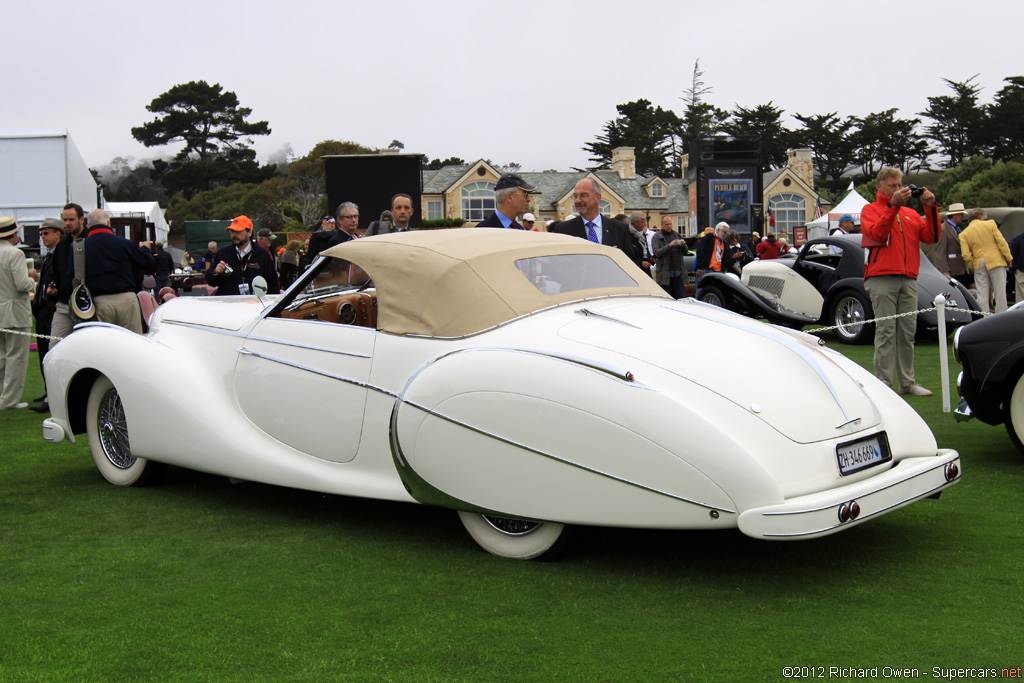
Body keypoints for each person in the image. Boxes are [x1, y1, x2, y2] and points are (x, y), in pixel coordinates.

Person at [861, 166, 940, 397]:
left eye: (899, 185)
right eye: (893, 185)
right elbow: (876, 234)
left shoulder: (910, 214)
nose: (898, 189)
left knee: (907, 332)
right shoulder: (870, 209)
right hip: (881, 276)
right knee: (886, 330)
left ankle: (907, 383)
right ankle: (883, 383)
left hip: (908, 277)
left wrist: (930, 206)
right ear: (880, 186)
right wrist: (893, 206)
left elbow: (931, 237)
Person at [67, 209, 156, 334]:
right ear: (108, 223)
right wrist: (145, 249)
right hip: (127, 299)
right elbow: (147, 262)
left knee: (105, 347)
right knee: (132, 345)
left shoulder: (79, 247)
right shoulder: (124, 243)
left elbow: (70, 277)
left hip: (99, 301)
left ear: (87, 226)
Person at [0, 216, 37, 410]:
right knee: (16, 357)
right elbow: (22, 285)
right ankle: (9, 400)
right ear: (13, 234)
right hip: (14, 311)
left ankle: (2, 397)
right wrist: (33, 279)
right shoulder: (14, 254)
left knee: (1, 356)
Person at [554, 178, 638, 263]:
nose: (578, 200)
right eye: (575, 196)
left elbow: (629, 263)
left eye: (583, 195)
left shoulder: (620, 229)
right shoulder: (564, 230)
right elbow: (558, 264)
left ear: (598, 197)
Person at [30, 218, 64, 412]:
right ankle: (47, 392)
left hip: (52, 310)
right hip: (43, 310)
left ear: (57, 234)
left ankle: (51, 397)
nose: (42, 237)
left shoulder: (60, 255)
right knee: (43, 352)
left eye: (46, 233)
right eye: (41, 233)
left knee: (50, 353)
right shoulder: (50, 256)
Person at [207, 215, 281, 296]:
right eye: (232, 231)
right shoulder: (222, 253)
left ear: (249, 233)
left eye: (238, 231)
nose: (234, 235)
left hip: (254, 305)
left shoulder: (262, 254)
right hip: (228, 305)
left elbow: (273, 284)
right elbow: (211, 282)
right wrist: (216, 273)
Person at [959, 207, 1012, 314]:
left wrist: (973, 265)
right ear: (981, 217)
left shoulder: (964, 234)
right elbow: (1001, 242)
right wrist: (1008, 257)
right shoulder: (991, 224)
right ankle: (1002, 315)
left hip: (978, 262)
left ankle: (984, 317)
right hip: (995, 260)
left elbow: (965, 255)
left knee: (982, 293)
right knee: (1000, 291)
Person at [48, 203, 87, 345]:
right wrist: (54, 285)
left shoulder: (90, 241)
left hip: (87, 304)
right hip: (64, 303)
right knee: (54, 345)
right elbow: (56, 273)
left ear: (81, 219)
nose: (67, 224)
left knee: (87, 346)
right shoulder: (62, 245)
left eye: (71, 220)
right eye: (65, 220)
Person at [651, 216, 687, 298]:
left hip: (678, 273)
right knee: (667, 299)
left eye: (670, 224)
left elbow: (685, 252)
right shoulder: (656, 237)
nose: (669, 226)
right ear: (662, 225)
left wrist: (684, 245)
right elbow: (656, 253)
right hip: (665, 274)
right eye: (667, 224)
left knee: (681, 299)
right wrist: (669, 245)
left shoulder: (676, 235)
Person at [935, 203, 968, 284]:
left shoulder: (957, 228)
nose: (963, 217)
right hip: (952, 272)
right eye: (961, 214)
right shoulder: (943, 229)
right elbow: (940, 252)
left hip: (961, 270)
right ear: (955, 215)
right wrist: (945, 271)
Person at [628, 212, 653, 277]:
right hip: (634, 273)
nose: (645, 225)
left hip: (646, 272)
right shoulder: (627, 236)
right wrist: (640, 263)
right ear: (635, 223)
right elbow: (627, 257)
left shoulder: (642, 235)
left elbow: (645, 250)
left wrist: (651, 258)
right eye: (643, 222)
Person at [1010, 230, 1024, 305]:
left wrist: (1014, 269)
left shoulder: (1017, 238)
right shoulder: (1018, 238)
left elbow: (1011, 253)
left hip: (1020, 271)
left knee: (1020, 299)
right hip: (1020, 271)